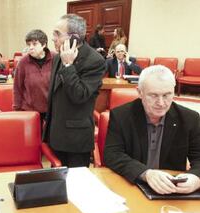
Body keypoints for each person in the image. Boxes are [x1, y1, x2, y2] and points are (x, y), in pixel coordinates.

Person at [104, 65, 200, 195]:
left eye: (167, 95)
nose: (161, 103)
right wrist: (145, 173)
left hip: (172, 191)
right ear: (140, 93)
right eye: (153, 95)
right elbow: (112, 155)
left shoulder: (190, 119)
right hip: (132, 187)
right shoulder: (121, 116)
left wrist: (196, 178)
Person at [43, 14, 105, 167]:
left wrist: (69, 66)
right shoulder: (58, 57)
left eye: (57, 34)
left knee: (76, 186)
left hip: (76, 139)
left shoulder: (94, 60)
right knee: (57, 184)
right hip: (56, 133)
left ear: (74, 37)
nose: (53, 38)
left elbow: (80, 95)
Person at [13, 29, 54, 123]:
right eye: (29, 44)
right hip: (30, 111)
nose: (30, 48)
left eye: (34, 44)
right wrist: (17, 109)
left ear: (44, 45)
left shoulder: (55, 58)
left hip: (52, 110)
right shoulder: (23, 62)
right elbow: (17, 88)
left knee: (51, 137)